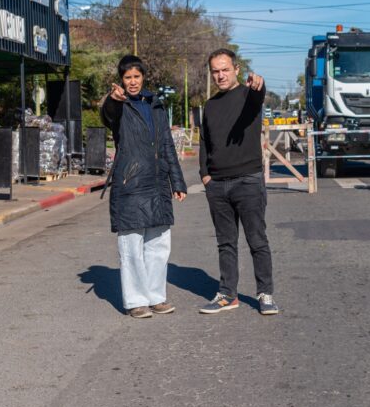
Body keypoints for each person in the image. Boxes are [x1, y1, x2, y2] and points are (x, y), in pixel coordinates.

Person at [101, 55, 187, 319]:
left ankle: (156, 297)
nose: (132, 82)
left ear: (144, 77)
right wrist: (112, 100)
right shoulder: (119, 105)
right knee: (131, 247)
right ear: (121, 80)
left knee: (159, 245)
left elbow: (167, 145)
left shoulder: (155, 104)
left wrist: (177, 181)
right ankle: (136, 301)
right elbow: (108, 114)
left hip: (158, 183)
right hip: (131, 183)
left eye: (136, 76)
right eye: (127, 77)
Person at [199, 48, 278, 315]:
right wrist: (205, 175)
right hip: (217, 185)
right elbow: (204, 142)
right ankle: (227, 294)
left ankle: (265, 294)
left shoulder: (248, 96)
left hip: (248, 181)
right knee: (226, 243)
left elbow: (258, 93)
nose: (220, 75)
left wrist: (259, 83)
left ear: (236, 69)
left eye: (225, 70)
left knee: (257, 240)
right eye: (215, 71)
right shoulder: (210, 105)